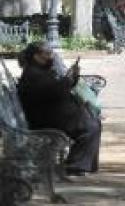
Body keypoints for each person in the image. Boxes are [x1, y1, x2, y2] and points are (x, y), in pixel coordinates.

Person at [16, 42, 102, 176]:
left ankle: (79, 164)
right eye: (47, 54)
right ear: (36, 56)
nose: (51, 57)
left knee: (92, 122)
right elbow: (55, 91)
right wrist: (68, 80)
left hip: (52, 114)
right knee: (90, 127)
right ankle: (76, 165)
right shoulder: (33, 74)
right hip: (45, 119)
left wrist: (71, 78)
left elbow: (56, 88)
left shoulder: (39, 71)